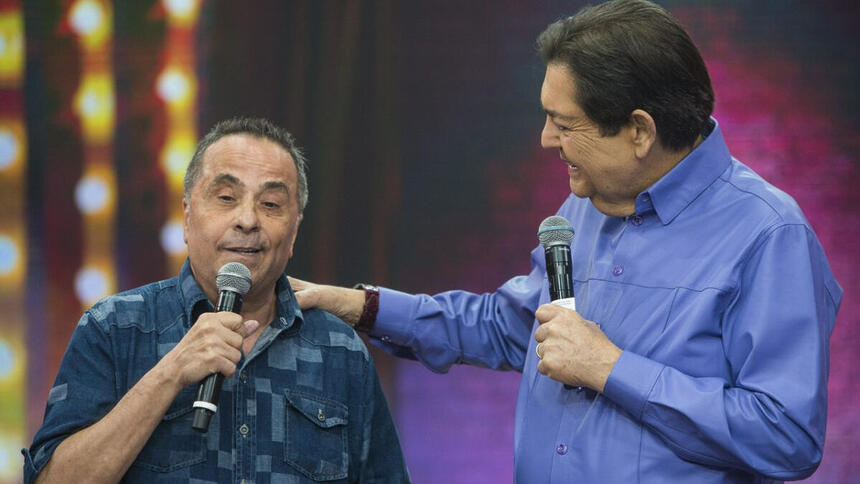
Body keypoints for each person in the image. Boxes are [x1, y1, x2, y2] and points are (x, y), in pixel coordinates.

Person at [290, 1, 842, 482]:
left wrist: (611, 368)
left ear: (640, 131)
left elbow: (785, 435)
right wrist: (361, 306)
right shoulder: (586, 203)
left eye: (564, 122)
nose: (545, 138)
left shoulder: (770, 235)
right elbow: (512, 328)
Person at [24, 117, 410, 483]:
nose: (247, 220)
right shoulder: (114, 328)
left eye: (271, 204)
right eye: (226, 197)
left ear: (294, 233)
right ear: (187, 217)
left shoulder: (338, 350)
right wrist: (170, 374)